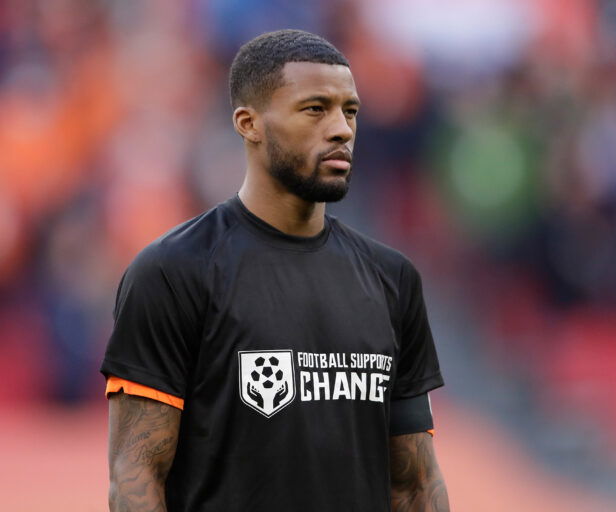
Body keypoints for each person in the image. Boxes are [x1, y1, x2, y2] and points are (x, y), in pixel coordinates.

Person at [102, 29, 449, 512]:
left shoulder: (393, 280)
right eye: (315, 109)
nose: (341, 130)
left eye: (350, 111)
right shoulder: (173, 271)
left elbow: (415, 484)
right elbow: (136, 474)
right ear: (249, 124)